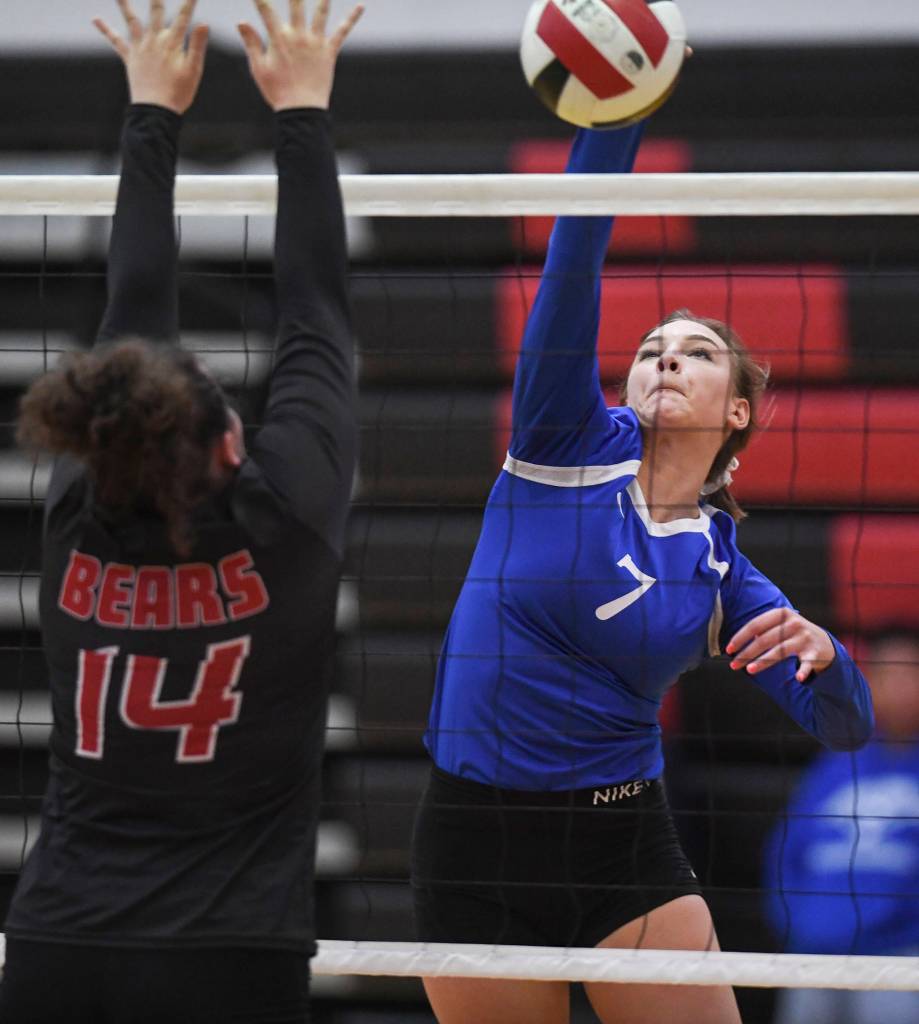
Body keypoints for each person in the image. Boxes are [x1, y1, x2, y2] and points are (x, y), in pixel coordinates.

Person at [410, 120, 875, 1024]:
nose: (667, 355)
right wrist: (614, 110)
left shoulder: (722, 574)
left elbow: (843, 726)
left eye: (697, 351)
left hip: (623, 849)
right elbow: (572, 258)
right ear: (622, 387)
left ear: (737, 410)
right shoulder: (560, 445)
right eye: (651, 348)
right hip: (477, 846)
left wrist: (829, 654)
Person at [0, 1, 362, 1021]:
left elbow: (132, 311)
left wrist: (153, 110)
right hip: (231, 945)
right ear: (235, 445)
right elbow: (318, 310)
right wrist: (302, 111)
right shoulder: (284, 519)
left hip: (60, 940)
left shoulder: (75, 516)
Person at [764, 631, 919, 1024]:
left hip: (898, 958)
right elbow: (784, 853)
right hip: (814, 955)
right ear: (870, 681)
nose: (898, 686)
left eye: (910, 674)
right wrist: (798, 925)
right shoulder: (834, 763)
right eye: (887, 673)